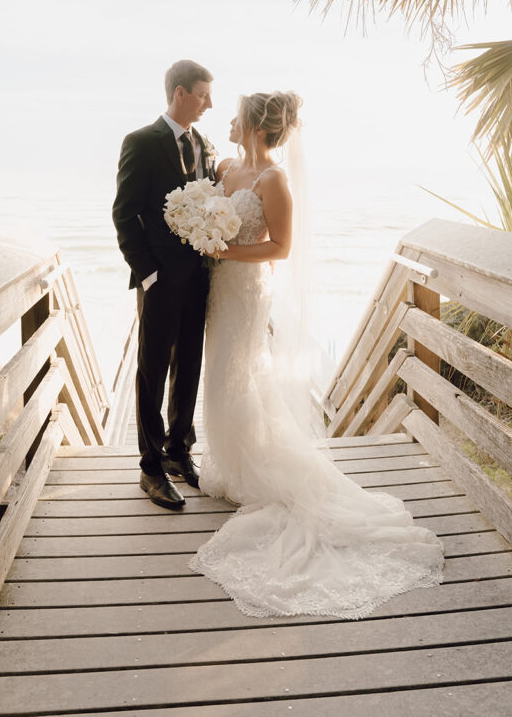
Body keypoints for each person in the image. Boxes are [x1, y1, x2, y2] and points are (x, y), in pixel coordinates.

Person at [191, 91, 444, 618]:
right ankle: (230, 460)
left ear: (257, 127)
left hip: (246, 287)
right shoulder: (226, 166)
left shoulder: (273, 181)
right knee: (222, 374)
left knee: (238, 375)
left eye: (237, 116)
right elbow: (210, 214)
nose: (229, 121)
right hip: (219, 288)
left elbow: (280, 247)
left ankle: (253, 469)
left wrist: (226, 249)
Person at [112, 60, 215, 510]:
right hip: (159, 279)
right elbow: (124, 212)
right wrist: (148, 272)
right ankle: (150, 468)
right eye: (202, 94)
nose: (209, 103)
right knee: (153, 370)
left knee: (190, 362)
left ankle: (179, 451)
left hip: (199, 277)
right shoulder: (142, 142)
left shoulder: (203, 144)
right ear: (179, 93)